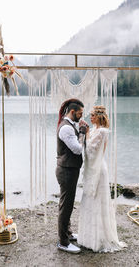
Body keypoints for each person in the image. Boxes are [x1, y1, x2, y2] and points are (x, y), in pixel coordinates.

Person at [78, 105, 127, 252]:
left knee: (97, 202)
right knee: (90, 202)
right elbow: (84, 147)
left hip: (98, 170)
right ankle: (88, 237)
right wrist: (84, 133)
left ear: (99, 117)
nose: (90, 117)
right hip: (95, 169)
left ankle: (98, 239)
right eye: (90, 115)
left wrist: (86, 134)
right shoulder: (95, 130)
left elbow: (90, 151)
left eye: (92, 115)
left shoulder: (101, 132)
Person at [56, 98, 88, 254]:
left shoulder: (71, 125)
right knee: (65, 206)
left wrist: (82, 131)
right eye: (80, 113)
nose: (81, 117)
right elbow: (76, 149)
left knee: (68, 204)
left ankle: (68, 233)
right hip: (66, 171)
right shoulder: (66, 128)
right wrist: (82, 133)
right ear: (73, 112)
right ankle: (63, 242)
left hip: (70, 169)